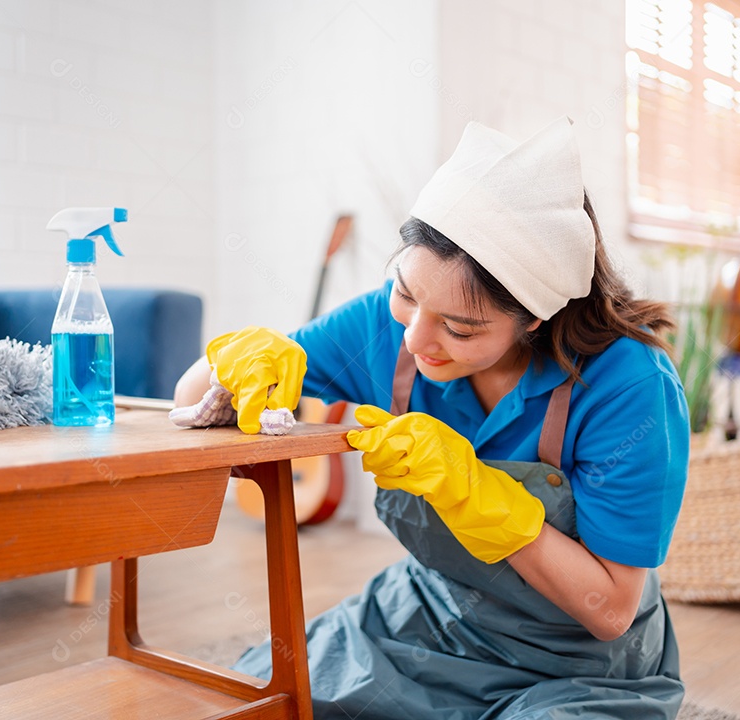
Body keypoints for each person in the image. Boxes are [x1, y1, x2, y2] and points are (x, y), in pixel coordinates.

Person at [173, 117, 690, 719]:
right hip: (425, 620)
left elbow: (609, 610)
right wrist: (231, 367)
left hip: (575, 665)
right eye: (405, 292)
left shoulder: (627, 384)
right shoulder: (386, 327)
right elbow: (189, 399)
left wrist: (477, 497)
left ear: (536, 317)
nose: (417, 338)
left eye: (461, 327)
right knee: (248, 702)